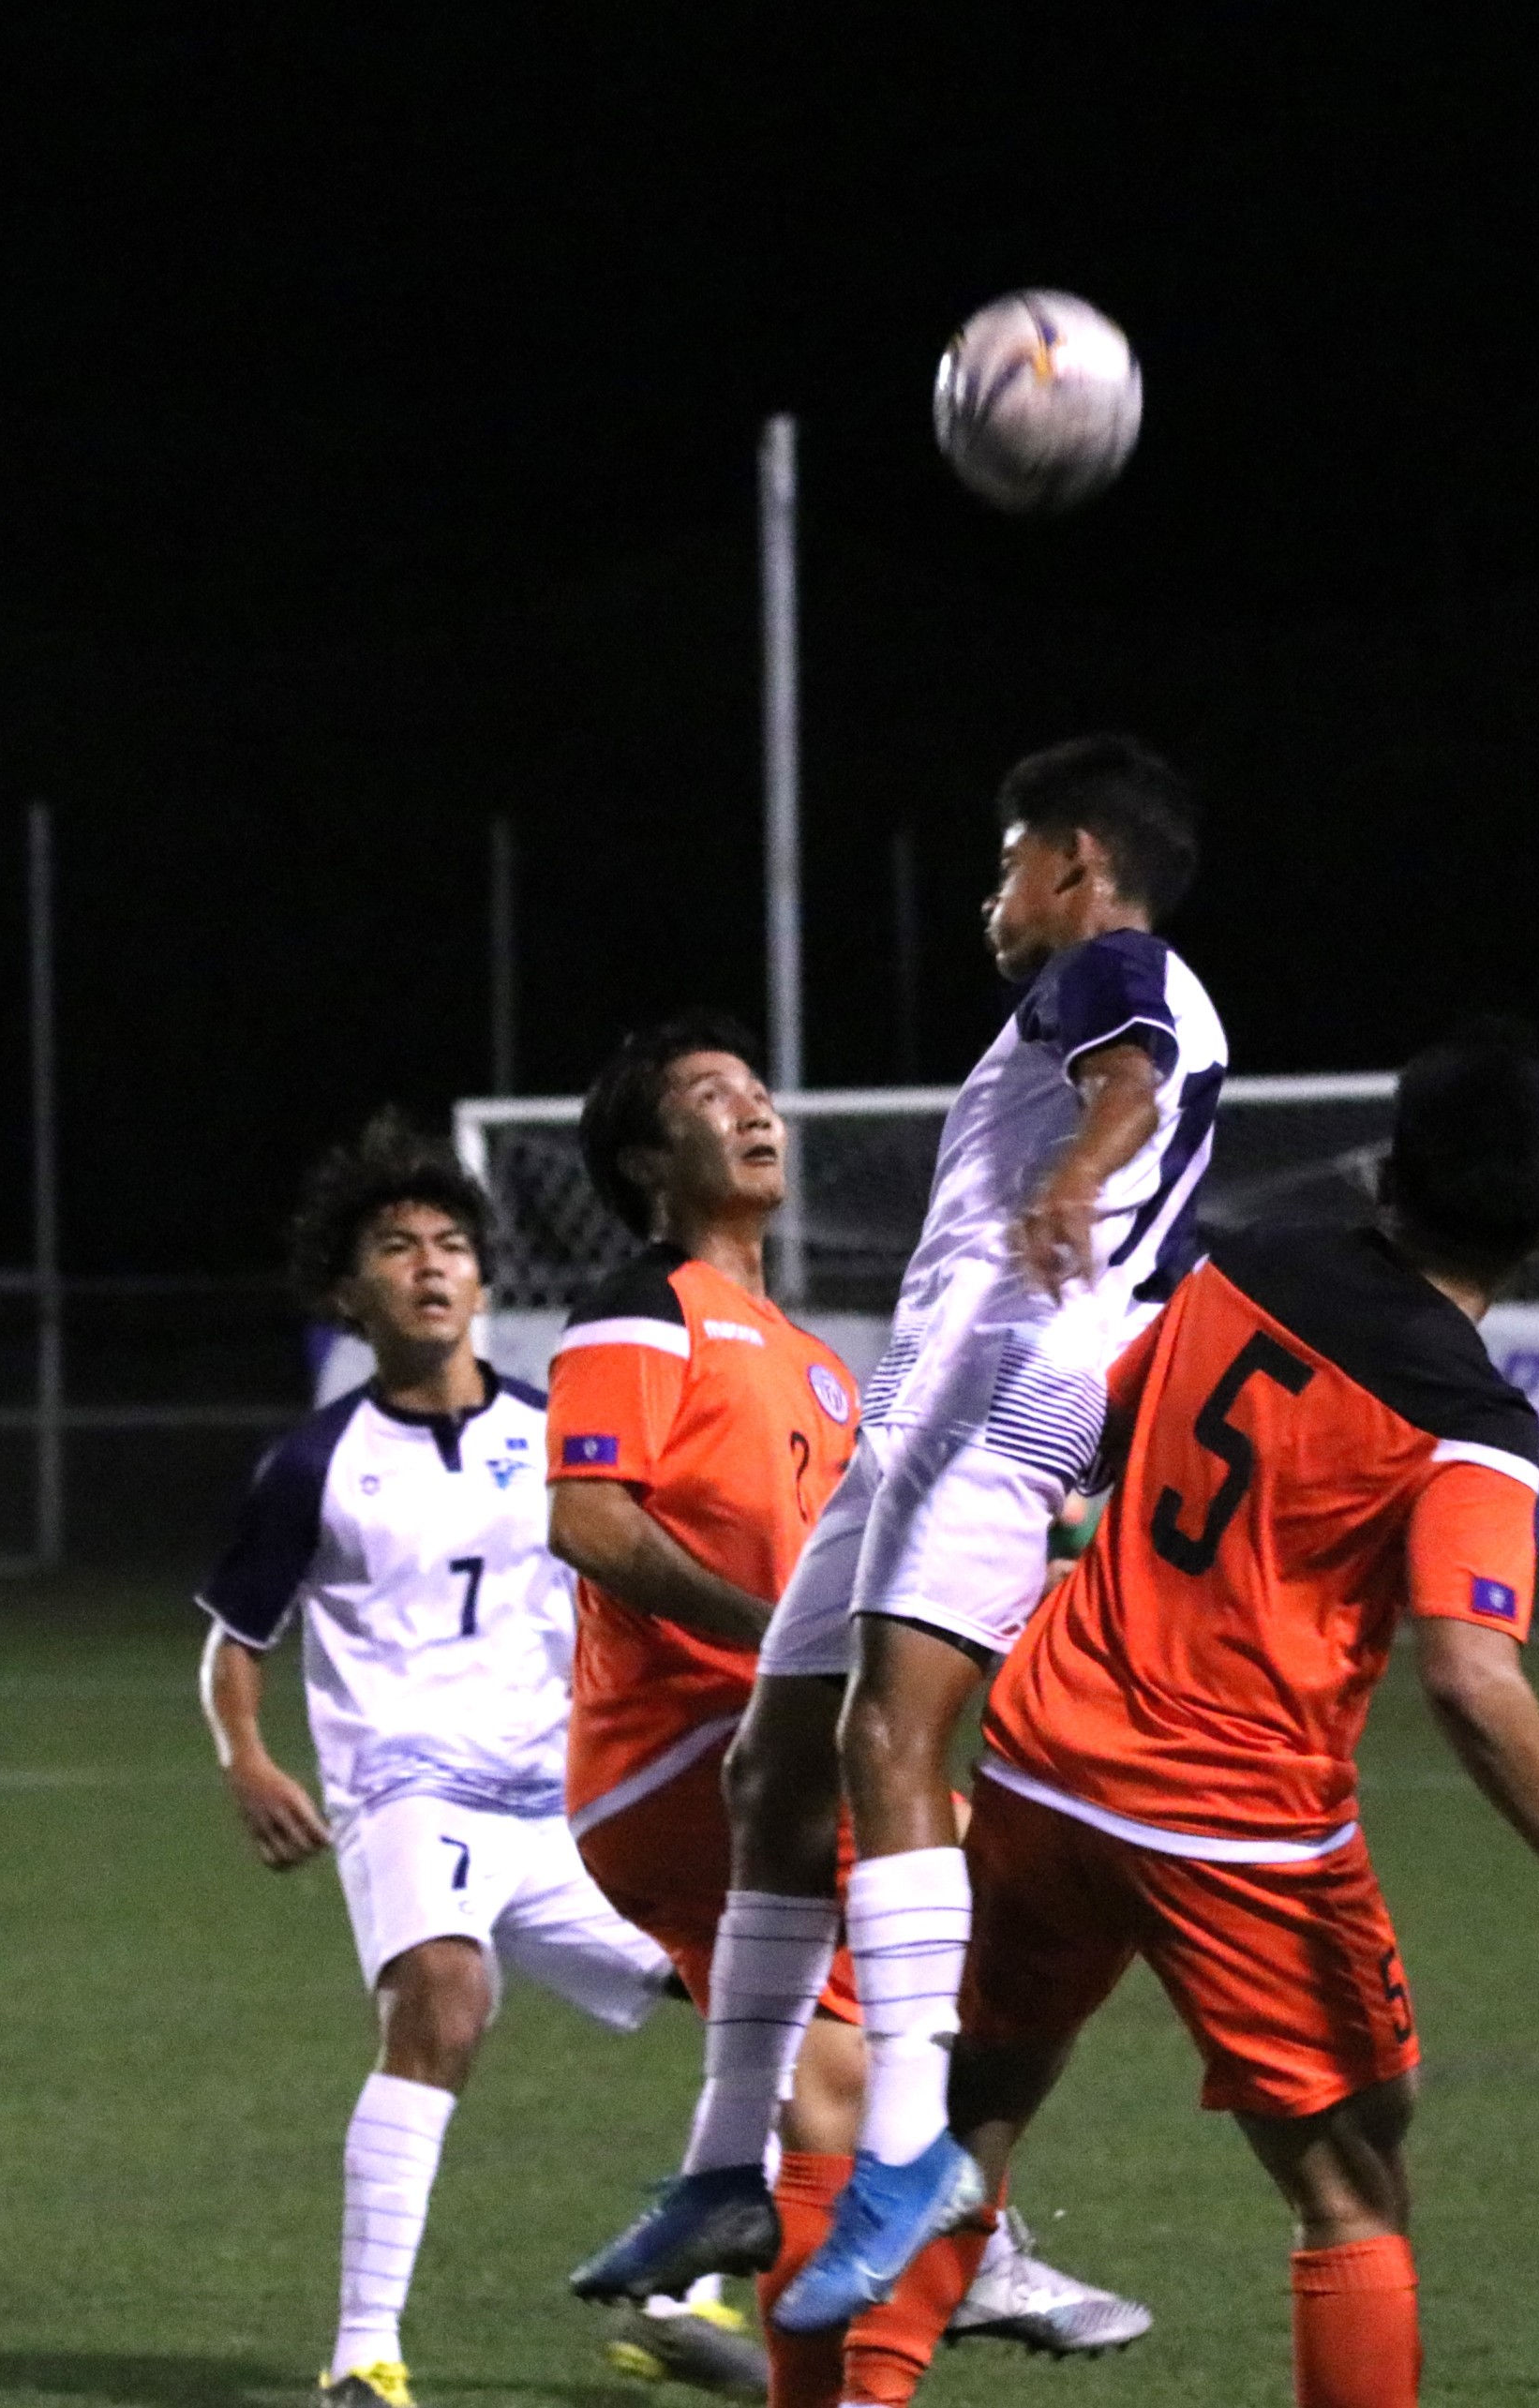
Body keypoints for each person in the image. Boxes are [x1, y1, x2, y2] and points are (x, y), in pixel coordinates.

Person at [575, 736, 1231, 2336]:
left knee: (889, 1744)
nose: (991, 894)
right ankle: (732, 2163)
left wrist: (1077, 1169)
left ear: (1075, 861)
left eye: (1008, 857)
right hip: (929, 1410)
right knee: (772, 1770)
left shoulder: (1111, 964)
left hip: (1001, 1396)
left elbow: (1126, 1082)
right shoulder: (1090, 989)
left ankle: (910, 2152)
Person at [942, 1026, 1539, 2408]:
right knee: (1352, 2183)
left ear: (1388, 1169)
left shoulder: (1249, 1258)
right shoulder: (1470, 1419)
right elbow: (1470, 1675)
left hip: (1040, 1758)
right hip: (1234, 1823)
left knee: (972, 2121)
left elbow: (1089, 1434)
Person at [548, 1014, 1151, 2402]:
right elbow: (588, 1518)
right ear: (649, 1159)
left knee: (842, 2063)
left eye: (759, 1090)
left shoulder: (814, 1357)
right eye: (711, 1097)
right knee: (1015, 1884)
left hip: (757, 1761)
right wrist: (781, 1652)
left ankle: (883, 2264)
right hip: (691, 1754)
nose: (755, 1111)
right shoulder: (643, 1306)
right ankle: (966, 2235)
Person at [199, 1114, 755, 2408]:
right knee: (445, 2000)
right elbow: (235, 1640)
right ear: (354, 1292)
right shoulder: (312, 1464)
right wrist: (247, 1758)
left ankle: (671, 2303)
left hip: (563, 1807)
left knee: (772, 1997)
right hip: (409, 1794)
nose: (431, 1266)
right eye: (398, 1248)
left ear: (485, 1285)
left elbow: (641, 1582)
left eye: (451, 1244)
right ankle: (363, 2361)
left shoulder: (560, 1433)